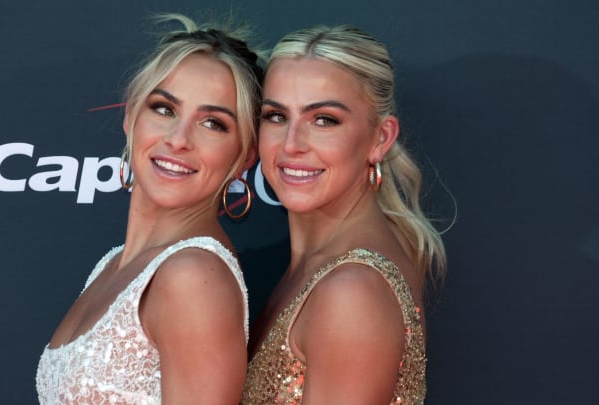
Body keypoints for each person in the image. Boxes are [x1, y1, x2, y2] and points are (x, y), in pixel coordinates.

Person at [36, 13, 263, 404]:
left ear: (245, 156)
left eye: (213, 123)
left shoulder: (192, 277)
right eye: (164, 109)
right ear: (131, 119)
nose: (178, 139)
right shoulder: (113, 263)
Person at [241, 25, 447, 405]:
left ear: (380, 138)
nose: (291, 145)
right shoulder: (335, 261)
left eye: (324, 120)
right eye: (276, 116)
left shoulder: (351, 291)